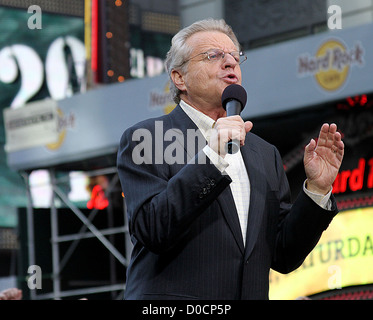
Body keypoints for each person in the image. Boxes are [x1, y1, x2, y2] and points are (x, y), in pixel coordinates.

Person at [116, 19, 344, 300]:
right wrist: (211, 156)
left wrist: (317, 190)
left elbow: (283, 255)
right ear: (179, 78)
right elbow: (153, 229)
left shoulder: (264, 154)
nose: (229, 63)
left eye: (235, 57)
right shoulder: (147, 137)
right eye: (213, 56)